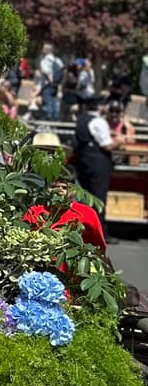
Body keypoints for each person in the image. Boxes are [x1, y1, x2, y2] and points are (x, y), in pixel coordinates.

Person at [72, 94, 114, 239]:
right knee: (98, 198)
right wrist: (120, 140)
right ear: (100, 106)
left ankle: (84, 229)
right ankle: (100, 233)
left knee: (85, 198)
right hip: (98, 164)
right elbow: (107, 145)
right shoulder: (98, 121)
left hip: (83, 162)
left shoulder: (81, 119)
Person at [37, 42, 63, 121]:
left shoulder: (44, 60)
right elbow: (63, 69)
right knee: (54, 101)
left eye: (43, 48)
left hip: (47, 85)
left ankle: (49, 119)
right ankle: (55, 118)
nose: (42, 50)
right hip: (55, 85)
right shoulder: (57, 60)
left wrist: (50, 80)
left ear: (46, 50)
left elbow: (46, 72)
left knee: (47, 102)